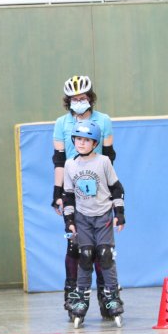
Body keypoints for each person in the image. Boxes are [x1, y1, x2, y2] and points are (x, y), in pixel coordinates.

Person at [51, 75, 116, 319]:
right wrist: (57, 192)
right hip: (72, 190)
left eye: (83, 98)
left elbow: (109, 157)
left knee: (101, 248)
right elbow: (59, 160)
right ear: (68, 101)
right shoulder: (61, 123)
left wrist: (111, 193)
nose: (79, 102)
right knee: (76, 246)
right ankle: (73, 295)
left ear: (90, 98)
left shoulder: (104, 120)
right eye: (74, 99)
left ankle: (106, 296)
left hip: (98, 191)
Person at [62, 120, 125, 328]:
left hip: (103, 216)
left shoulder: (103, 161)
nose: (81, 143)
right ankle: (81, 297)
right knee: (85, 255)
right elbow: (68, 195)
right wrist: (69, 221)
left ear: (95, 143)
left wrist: (119, 213)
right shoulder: (69, 165)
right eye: (78, 139)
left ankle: (112, 295)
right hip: (83, 218)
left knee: (105, 254)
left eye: (86, 140)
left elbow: (116, 188)